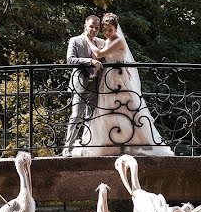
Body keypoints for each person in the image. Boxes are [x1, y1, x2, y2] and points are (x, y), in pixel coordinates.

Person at [69, 13, 174, 157]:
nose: (106, 33)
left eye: (109, 30)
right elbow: (71, 59)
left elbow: (99, 54)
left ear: (116, 28)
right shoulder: (101, 40)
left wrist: (88, 40)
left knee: (124, 108)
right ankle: (106, 143)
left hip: (116, 79)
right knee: (103, 110)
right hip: (103, 80)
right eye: (104, 30)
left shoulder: (116, 41)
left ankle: (128, 142)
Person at [63, 15, 106, 157]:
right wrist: (90, 61)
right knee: (76, 116)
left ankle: (89, 148)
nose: (94, 30)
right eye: (91, 26)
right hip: (80, 84)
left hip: (96, 85)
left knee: (92, 117)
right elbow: (70, 60)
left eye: (97, 28)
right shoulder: (75, 41)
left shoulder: (101, 42)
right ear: (85, 26)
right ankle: (67, 149)